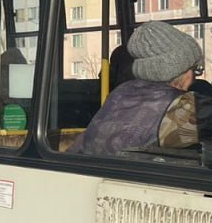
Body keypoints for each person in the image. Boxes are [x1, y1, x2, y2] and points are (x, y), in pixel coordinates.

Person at [71, 21, 202, 155]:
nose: (195, 77)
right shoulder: (185, 106)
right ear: (184, 72)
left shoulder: (121, 91)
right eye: (195, 69)